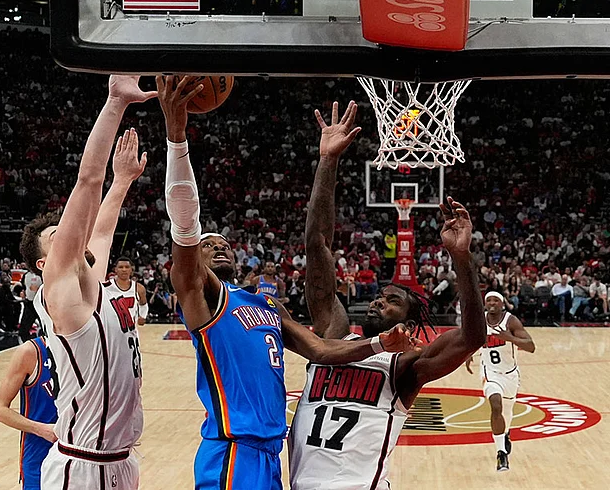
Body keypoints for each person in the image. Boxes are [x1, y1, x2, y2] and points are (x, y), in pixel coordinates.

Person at [157, 78, 418, 490]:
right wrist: (176, 138)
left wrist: (377, 345)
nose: (218, 247)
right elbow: (185, 225)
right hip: (231, 452)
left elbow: (319, 349)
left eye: (224, 243)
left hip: (272, 456)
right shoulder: (202, 297)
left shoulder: (265, 305)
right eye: (209, 246)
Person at [288, 101, 485, 490]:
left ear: (410, 325)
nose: (378, 301)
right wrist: (327, 161)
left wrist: (461, 257)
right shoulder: (332, 333)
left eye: (392, 300)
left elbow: (472, 337)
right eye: (380, 296)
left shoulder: (406, 369)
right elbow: (318, 245)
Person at [19, 75, 156, 489]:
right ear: (44, 263)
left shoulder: (89, 283)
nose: (70, 234)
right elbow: (87, 183)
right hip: (82, 465)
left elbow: (101, 231)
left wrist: (124, 181)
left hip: (120, 461)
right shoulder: (60, 290)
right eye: (57, 236)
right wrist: (115, 103)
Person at [466, 291, 535, 471]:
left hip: (510, 373)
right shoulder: (479, 320)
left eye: (496, 300)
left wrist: (510, 338)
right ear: (485, 303)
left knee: (507, 411)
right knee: (495, 405)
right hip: (489, 372)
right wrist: (467, 354)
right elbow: (469, 339)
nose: (492, 303)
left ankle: (505, 433)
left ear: (502, 303)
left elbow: (531, 346)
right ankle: (501, 454)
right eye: (489, 300)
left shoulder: (511, 321)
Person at [0, 337, 58, 490]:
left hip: (84, 457)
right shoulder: (31, 352)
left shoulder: (91, 347)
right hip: (39, 457)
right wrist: (41, 429)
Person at [109, 257, 149, 327]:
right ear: (115, 270)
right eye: (121, 267)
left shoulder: (139, 288)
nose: (124, 270)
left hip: (131, 331)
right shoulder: (106, 287)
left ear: (131, 270)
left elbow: (143, 304)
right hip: (111, 328)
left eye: (127, 267)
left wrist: (143, 316)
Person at [20, 267, 43, 341]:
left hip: (41, 303)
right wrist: (23, 292)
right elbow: (23, 286)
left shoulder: (41, 274)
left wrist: (39, 289)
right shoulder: (26, 275)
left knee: (45, 326)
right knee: (24, 328)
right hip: (29, 303)